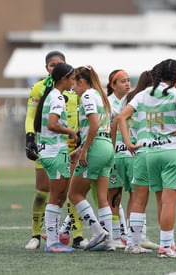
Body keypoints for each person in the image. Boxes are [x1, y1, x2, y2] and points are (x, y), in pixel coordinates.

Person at [117, 59, 176, 258]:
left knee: (143, 199)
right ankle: (166, 246)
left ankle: (138, 243)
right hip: (171, 150)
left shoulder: (143, 95)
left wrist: (127, 142)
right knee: (168, 202)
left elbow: (121, 117)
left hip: (148, 152)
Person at [24, 51, 87, 250]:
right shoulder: (41, 89)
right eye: (52, 64)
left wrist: (80, 138)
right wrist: (30, 136)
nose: (55, 66)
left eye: (59, 63)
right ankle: (40, 235)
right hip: (53, 146)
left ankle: (75, 235)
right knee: (47, 193)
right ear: (48, 69)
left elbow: (82, 113)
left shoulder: (73, 89)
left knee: (69, 193)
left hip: (67, 146)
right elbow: (36, 117)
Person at [111, 69, 160, 253]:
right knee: (137, 196)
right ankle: (137, 238)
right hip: (136, 152)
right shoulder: (147, 98)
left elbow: (117, 121)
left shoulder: (127, 98)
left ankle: (117, 237)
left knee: (115, 197)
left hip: (119, 152)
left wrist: (116, 145)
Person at [68, 65, 114, 251]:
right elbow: (101, 128)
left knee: (74, 194)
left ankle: (98, 232)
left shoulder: (87, 96)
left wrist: (85, 150)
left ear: (81, 81)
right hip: (107, 147)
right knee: (103, 198)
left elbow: (93, 125)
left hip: (95, 148)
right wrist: (80, 149)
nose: (73, 88)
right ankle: (109, 242)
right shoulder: (100, 95)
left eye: (74, 84)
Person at [33, 62, 77, 253]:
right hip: (54, 151)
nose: (74, 82)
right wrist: (70, 131)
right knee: (57, 195)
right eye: (72, 78)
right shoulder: (57, 97)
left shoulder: (52, 95)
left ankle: (54, 239)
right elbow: (52, 124)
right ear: (64, 79)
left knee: (59, 195)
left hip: (51, 151)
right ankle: (52, 242)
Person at [106, 69, 132, 248]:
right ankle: (115, 235)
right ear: (113, 85)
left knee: (128, 195)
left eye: (128, 80)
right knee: (113, 197)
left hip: (128, 155)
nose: (127, 84)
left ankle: (127, 235)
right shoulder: (108, 103)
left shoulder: (132, 102)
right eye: (122, 81)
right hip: (112, 154)